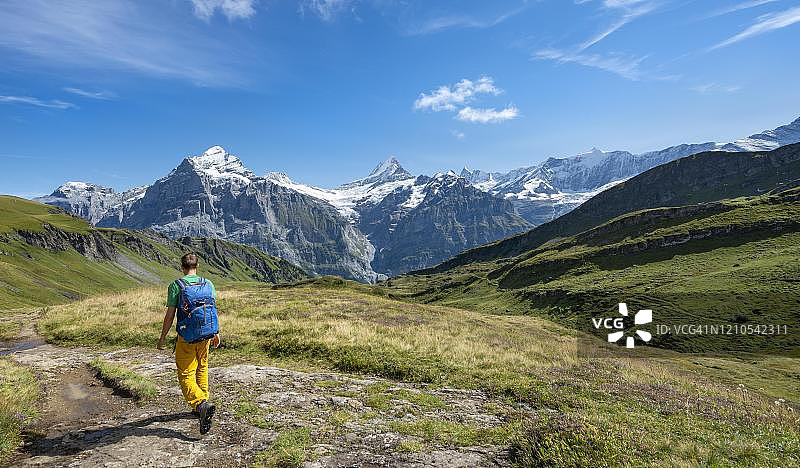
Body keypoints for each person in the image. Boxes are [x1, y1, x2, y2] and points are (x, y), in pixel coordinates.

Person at [157, 252, 221, 435]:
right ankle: (201, 406)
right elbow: (211, 309)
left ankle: (200, 404)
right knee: (202, 367)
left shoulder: (176, 286)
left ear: (182, 267)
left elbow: (170, 316)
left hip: (187, 336)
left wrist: (162, 337)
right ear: (197, 266)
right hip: (207, 334)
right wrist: (216, 332)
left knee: (186, 373)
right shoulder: (208, 283)